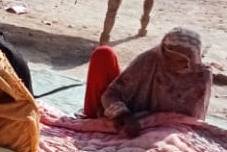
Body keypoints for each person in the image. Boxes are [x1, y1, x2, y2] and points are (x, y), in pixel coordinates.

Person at [82, 27, 212, 137]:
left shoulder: (200, 77)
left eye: (180, 61)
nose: (171, 64)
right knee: (103, 54)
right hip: (130, 120)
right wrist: (124, 115)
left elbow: (190, 121)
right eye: (167, 57)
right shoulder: (150, 60)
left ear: (193, 60)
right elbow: (111, 94)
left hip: (168, 131)